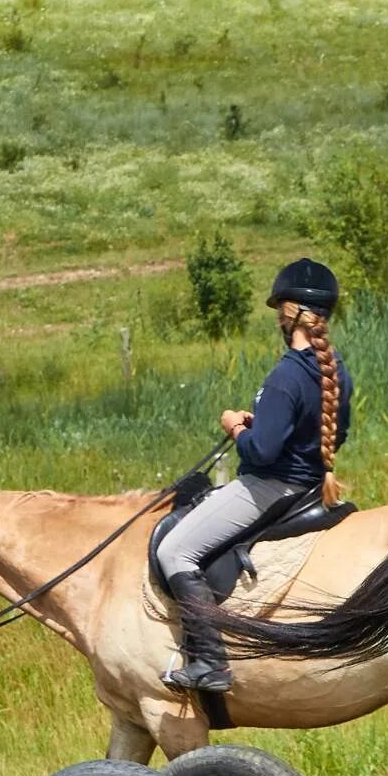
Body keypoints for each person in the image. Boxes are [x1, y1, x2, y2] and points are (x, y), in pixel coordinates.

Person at [157, 258, 353, 693]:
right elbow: (335, 434)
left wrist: (236, 426)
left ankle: (211, 662)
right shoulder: (336, 369)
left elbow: (262, 451)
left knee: (176, 552)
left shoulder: (285, 375)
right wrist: (263, 421)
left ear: (288, 314)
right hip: (308, 486)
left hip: (270, 486)